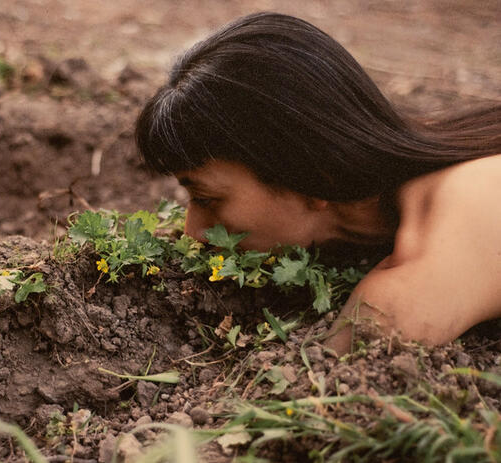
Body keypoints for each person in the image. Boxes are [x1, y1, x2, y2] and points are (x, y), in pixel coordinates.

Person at [134, 12, 501, 354]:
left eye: (207, 198)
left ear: (311, 175)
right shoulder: (423, 157)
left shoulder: (469, 204)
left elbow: (339, 374)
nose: (191, 231)